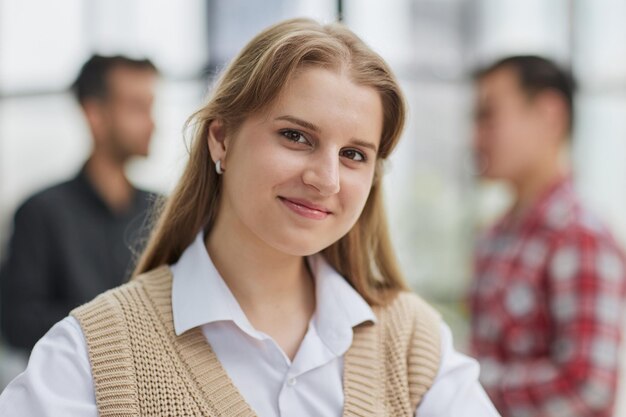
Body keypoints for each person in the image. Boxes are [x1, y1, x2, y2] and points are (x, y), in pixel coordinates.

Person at [0, 19, 500, 416]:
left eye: (353, 155)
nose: (326, 179)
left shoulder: (414, 344)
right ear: (221, 138)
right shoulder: (89, 356)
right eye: (296, 136)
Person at [470, 55, 626, 417]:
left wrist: (466, 381)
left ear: (549, 115)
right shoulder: (495, 235)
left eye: (488, 116)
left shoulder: (580, 236)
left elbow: (587, 387)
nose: (475, 136)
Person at [0, 55, 159, 352]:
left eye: (151, 107)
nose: (152, 124)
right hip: (69, 389)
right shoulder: (41, 212)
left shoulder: (162, 211)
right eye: (137, 108)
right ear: (94, 115)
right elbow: (17, 323)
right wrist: (117, 325)